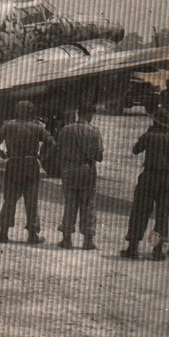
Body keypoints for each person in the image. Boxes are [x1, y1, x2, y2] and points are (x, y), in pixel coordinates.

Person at [0, 100, 55, 244]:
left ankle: (3, 232)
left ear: (17, 111)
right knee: (31, 200)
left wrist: (1, 154)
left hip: (14, 163)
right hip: (31, 165)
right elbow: (52, 143)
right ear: (31, 112)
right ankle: (32, 234)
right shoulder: (37, 128)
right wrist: (43, 157)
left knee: (10, 198)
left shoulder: (8, 126)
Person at [121, 108, 169, 261]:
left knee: (140, 212)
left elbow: (136, 150)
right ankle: (157, 249)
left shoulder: (149, 136)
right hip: (168, 178)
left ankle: (133, 248)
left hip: (149, 176)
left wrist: (148, 134)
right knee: (162, 216)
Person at [55, 104, 104, 250]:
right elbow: (99, 156)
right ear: (89, 115)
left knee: (70, 204)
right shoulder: (94, 132)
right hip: (86, 170)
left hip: (69, 169)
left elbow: (59, 150)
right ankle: (87, 240)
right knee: (88, 204)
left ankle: (66, 239)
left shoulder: (66, 129)